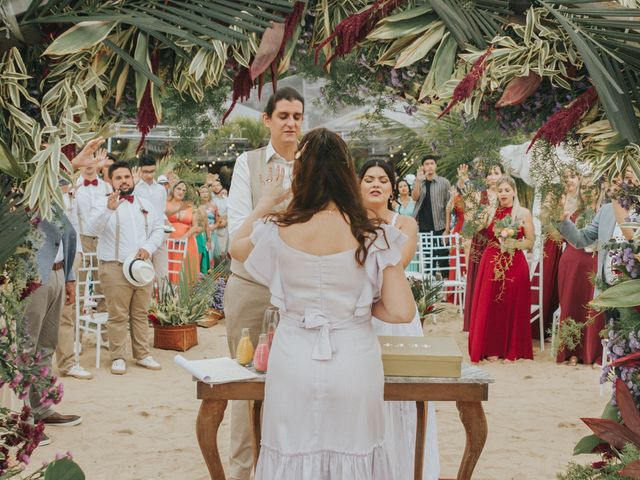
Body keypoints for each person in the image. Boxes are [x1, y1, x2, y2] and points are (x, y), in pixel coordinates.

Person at [230, 128, 415, 479]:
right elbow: (402, 310)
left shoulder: (279, 227)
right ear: (348, 174)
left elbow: (236, 248)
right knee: (357, 455)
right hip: (354, 359)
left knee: (291, 453)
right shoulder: (372, 232)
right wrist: (362, 305)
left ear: (301, 173)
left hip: (293, 360)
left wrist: (266, 202)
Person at [225, 86, 304, 480]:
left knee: (295, 386)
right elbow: (234, 240)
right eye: (284, 115)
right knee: (244, 386)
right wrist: (268, 202)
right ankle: (243, 472)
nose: (291, 123)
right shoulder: (247, 163)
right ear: (267, 120)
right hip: (251, 289)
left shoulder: (313, 164)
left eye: (297, 116)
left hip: (301, 292)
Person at [359, 160, 440, 480]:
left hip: (396, 315)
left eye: (382, 179)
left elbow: (397, 263)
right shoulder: (346, 222)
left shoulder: (405, 224)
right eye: (368, 179)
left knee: (404, 396)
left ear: (392, 187)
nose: (375, 184)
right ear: (358, 185)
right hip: (360, 317)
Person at [88, 160, 164, 375]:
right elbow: (91, 229)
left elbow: (158, 228)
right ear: (110, 181)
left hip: (141, 267)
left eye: (127, 177)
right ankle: (118, 357)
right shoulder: (102, 203)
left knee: (140, 313)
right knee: (118, 315)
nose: (124, 181)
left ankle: (142, 355)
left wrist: (148, 247)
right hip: (114, 266)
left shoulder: (145, 204)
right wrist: (108, 211)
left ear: (133, 177)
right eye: (118, 178)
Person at [23, 208, 81, 444]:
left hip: (57, 274)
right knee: (26, 347)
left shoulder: (54, 194)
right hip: (33, 276)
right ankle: (22, 417)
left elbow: (66, 233)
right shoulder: (22, 191)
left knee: (47, 344)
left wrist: (68, 277)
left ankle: (42, 408)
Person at [468, 176, 534, 363]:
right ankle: (491, 348)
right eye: (500, 190)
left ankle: (510, 349)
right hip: (491, 260)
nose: (503, 194)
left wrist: (513, 243)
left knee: (510, 304)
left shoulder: (523, 213)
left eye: (507, 190)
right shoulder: (490, 211)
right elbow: (475, 226)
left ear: (513, 191)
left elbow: (530, 242)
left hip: (514, 262)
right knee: (491, 305)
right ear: (496, 192)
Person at [556, 176, 604, 365]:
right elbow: (560, 234)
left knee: (593, 308)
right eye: (583, 187)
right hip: (571, 263)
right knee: (572, 305)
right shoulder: (573, 211)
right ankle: (571, 351)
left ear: (600, 189)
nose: (587, 191)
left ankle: (592, 352)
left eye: (591, 187)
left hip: (593, 263)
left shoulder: (605, 212)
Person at [458, 162, 504, 332]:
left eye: (496, 172)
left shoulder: (505, 194)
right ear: (485, 178)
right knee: (479, 280)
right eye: (489, 174)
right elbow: (470, 223)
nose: (492, 177)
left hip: (500, 242)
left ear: (503, 175)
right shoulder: (480, 195)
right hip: (481, 241)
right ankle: (477, 322)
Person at [56, 179, 93, 380]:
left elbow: (81, 224)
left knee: (67, 309)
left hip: (71, 253)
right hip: (44, 256)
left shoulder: (76, 192)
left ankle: (67, 362)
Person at [74, 148, 113, 314]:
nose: (89, 164)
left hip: (102, 240)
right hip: (81, 240)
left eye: (92, 159)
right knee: (78, 286)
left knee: (102, 285)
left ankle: (103, 333)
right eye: (85, 160)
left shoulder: (106, 187)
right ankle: (77, 334)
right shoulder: (73, 187)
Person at [134, 154, 169, 287]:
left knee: (162, 275)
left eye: (152, 171)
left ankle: (163, 307)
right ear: (140, 170)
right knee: (143, 275)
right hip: (140, 238)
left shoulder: (161, 190)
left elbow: (161, 213)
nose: (149, 175)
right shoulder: (135, 188)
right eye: (146, 172)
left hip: (159, 235)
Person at [166, 181, 200, 284]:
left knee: (185, 271)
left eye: (183, 190)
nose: (181, 192)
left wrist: (184, 237)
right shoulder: (165, 204)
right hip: (169, 241)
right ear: (173, 189)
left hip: (187, 241)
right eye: (179, 189)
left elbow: (195, 226)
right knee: (168, 269)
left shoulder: (189, 206)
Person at [210, 179, 229, 258]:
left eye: (217, 185)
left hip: (226, 226)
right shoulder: (211, 200)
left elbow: (230, 212)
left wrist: (226, 221)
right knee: (215, 251)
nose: (216, 187)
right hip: (215, 226)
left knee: (225, 250)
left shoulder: (227, 199)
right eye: (213, 186)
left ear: (221, 186)